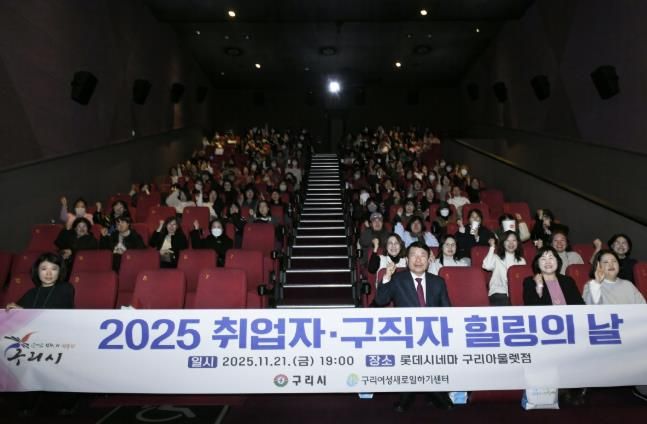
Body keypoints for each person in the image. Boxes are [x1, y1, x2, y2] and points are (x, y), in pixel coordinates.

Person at [375, 242, 453, 412]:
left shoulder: (438, 282)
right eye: (413, 255)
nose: (418, 260)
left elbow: (448, 312)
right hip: (406, 336)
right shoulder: (397, 279)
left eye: (422, 255)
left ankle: (433, 392)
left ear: (429, 259)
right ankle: (421, 394)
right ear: (406, 259)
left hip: (432, 335)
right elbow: (381, 300)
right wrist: (387, 276)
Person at [6, 252, 74, 310]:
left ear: (60, 272)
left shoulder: (65, 288)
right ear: (37, 271)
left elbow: (62, 314)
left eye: (54, 269)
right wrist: (17, 310)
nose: (48, 273)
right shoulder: (31, 293)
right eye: (44, 269)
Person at [482, 231, 526, 306]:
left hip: (515, 294)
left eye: (514, 240)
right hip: (498, 293)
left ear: (518, 243)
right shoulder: (496, 257)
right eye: (507, 240)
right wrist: (492, 247)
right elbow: (486, 266)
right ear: (503, 243)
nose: (511, 243)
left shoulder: (521, 261)